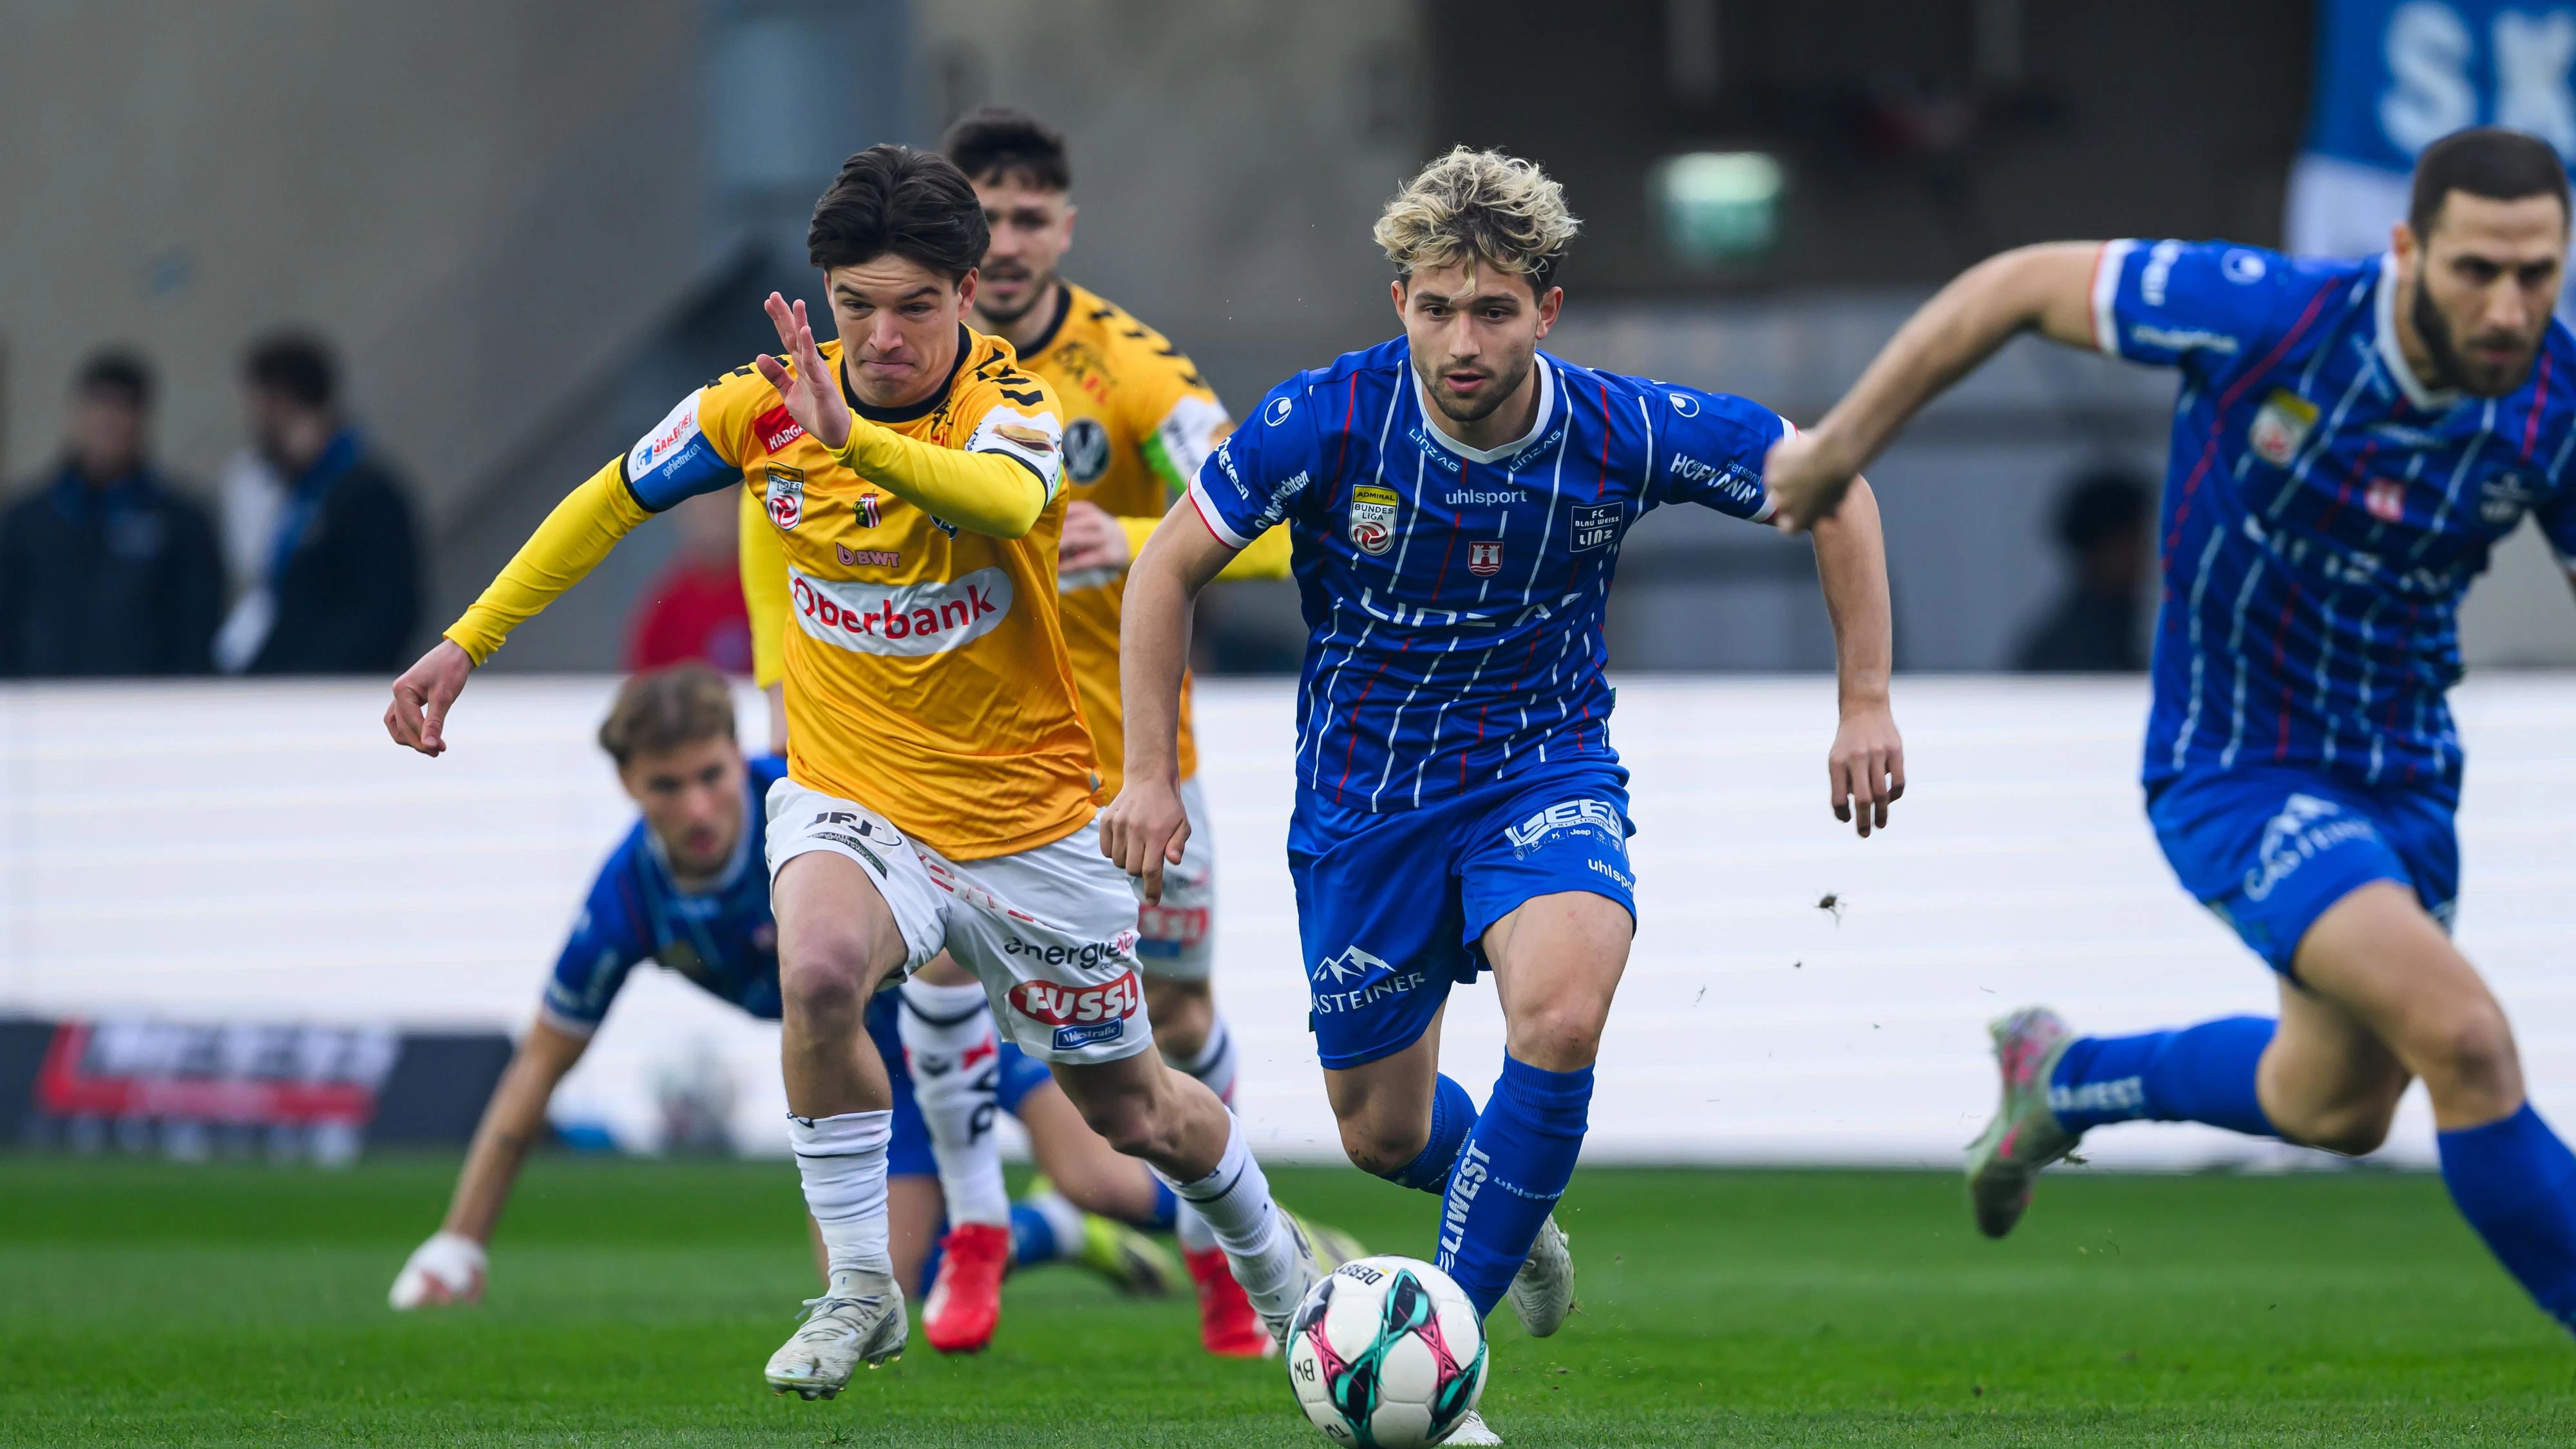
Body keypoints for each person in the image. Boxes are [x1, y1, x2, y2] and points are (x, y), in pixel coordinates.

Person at [385, 144, 1321, 1399]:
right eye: (854, 305)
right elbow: (608, 500)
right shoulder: (758, 404)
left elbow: (1001, 504)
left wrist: (858, 444)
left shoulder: (1011, 405)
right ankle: (860, 1285)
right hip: (854, 795)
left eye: (914, 307)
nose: (881, 337)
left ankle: (1280, 1272)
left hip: (1026, 821)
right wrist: (467, 642)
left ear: (966, 293)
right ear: (823, 295)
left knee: (1136, 1113)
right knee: (819, 970)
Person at [1103, 147, 1903, 1443]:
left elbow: (1835, 486)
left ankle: (1444, 1350)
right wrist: (1148, 774)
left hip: (1543, 769)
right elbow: (1163, 570)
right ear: (1399, 303)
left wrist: (1863, 699)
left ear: (1547, 309)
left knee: (1563, 1013)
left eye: (1492, 310)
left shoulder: (1620, 428)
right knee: (1380, 1135)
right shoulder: (1326, 420)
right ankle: (1510, 1208)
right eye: (1435, 308)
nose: (1462, 341)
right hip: (1365, 803)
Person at [1761, 126, 2576, 1335]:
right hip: (2239, 767)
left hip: (2408, 780)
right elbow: (2017, 285)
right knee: (2466, 1041)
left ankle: (2065, 1079)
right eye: (2477, 270)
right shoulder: (2271, 317)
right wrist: (1838, 448)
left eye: (2537, 273)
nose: (2508, 308)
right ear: (2408, 250)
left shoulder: (2555, 404)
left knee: (2339, 1106)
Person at [791, 104, 1295, 1358]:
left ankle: (1213, 1247)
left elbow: (1282, 528)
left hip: (1134, 764)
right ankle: (975, 1227)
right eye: (990, 217)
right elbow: (776, 508)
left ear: (1064, 228)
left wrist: (1142, 539)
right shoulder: (870, 374)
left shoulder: (1135, 373)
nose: (1010, 241)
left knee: (1175, 1023)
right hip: (956, 761)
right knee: (933, 971)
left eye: (1030, 218)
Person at [386, 666, 1180, 1311]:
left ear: (738, 755)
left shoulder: (808, 810)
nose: (698, 807)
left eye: (710, 775)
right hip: (860, 1065)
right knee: (884, 1286)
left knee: (1109, 1180)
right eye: (667, 786)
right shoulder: (628, 897)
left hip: (957, 1004)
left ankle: (1233, 1232)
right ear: (628, 784)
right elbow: (539, 1065)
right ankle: (1052, 1230)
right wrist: (459, 1244)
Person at [0, 350, 224, 677]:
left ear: (142, 419)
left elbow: (196, 633)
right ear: (75, 413)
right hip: (43, 699)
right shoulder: (27, 519)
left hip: (145, 701)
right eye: (98, 404)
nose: (108, 422)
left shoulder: (182, 522)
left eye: (122, 408)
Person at [214, 333, 421, 674]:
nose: (256, 427)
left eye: (261, 409)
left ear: (283, 402)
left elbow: (387, 611)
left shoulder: (368, 497)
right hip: (289, 686)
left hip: (329, 692)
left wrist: (312, 681)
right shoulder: (288, 492)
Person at [2011, 468, 2152, 672]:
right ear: (2102, 548)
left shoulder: (2111, 631)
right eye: (2133, 538)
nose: (2144, 552)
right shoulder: (2074, 646)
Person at [627, 491, 753, 673]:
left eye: (719, 502)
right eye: (700, 506)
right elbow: (644, 678)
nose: (712, 515)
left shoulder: (769, 590)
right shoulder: (667, 604)